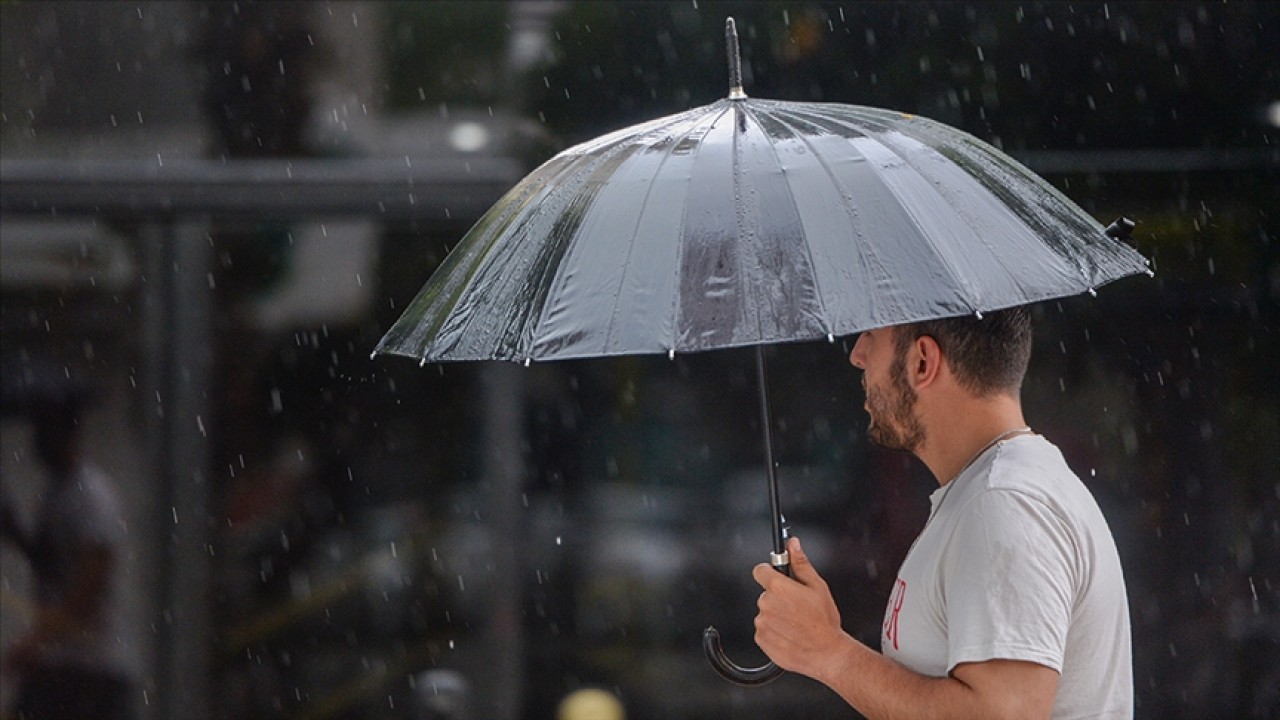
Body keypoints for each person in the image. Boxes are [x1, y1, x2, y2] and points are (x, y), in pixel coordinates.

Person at [751, 307, 1132, 719]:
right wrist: (827, 647)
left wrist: (830, 653)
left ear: (922, 362)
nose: (857, 355)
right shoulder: (994, 491)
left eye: (871, 335)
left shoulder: (1003, 502)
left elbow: (1001, 715)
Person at [0, 395, 136, 720]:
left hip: (91, 667)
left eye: (46, 429)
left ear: (69, 431)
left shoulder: (92, 495)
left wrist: (37, 640)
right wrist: (14, 531)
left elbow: (92, 584)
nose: (37, 440)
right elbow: (52, 565)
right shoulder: (56, 493)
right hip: (60, 664)